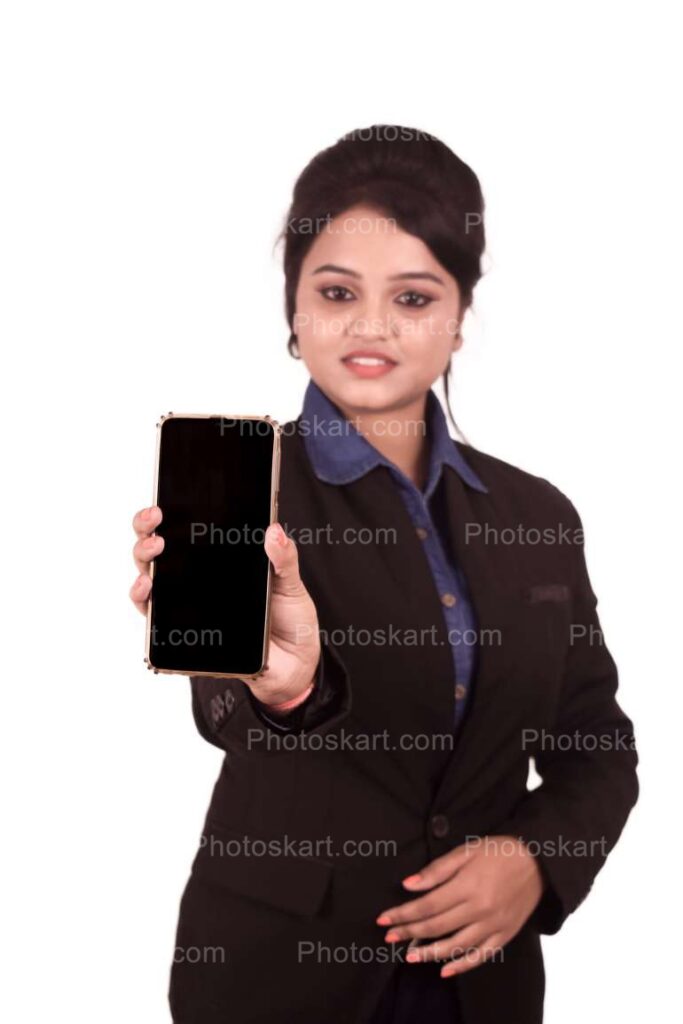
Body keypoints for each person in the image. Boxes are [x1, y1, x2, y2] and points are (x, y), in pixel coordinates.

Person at [130, 125, 638, 1024]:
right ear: (294, 307)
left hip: (480, 985)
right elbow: (220, 709)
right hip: (277, 983)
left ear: (459, 315)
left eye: (412, 296)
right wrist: (283, 693)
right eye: (336, 292)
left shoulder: (538, 517)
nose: (370, 327)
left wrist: (537, 861)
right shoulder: (241, 490)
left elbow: (595, 741)